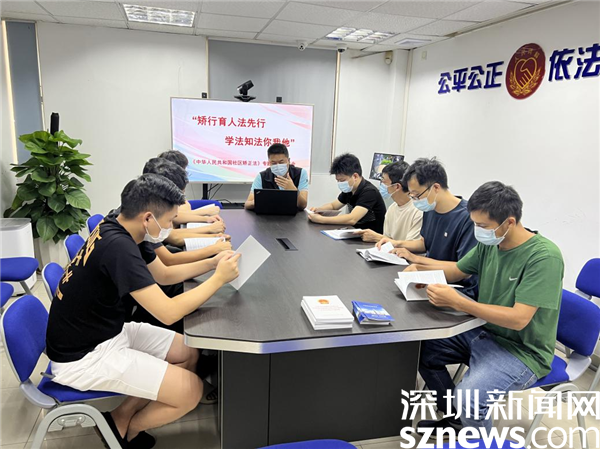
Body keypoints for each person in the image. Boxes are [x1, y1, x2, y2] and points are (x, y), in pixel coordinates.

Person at [46, 174, 241, 448]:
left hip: (105, 331)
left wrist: (212, 264)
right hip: (84, 356)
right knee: (191, 391)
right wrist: (219, 279)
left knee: (188, 352)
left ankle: (119, 418)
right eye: (170, 220)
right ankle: (130, 431)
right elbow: (168, 313)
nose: (171, 227)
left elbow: (163, 274)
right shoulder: (119, 248)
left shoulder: (120, 226)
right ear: (148, 218)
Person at [416, 181, 564, 434]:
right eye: (474, 223)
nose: (477, 231)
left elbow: (518, 319)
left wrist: (459, 302)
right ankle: (456, 419)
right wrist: (419, 271)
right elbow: (457, 271)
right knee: (421, 350)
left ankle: (478, 437)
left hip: (521, 351)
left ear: (509, 222)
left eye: (483, 226)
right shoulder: (491, 243)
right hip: (485, 332)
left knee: (470, 399)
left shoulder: (544, 257)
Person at [377, 158, 478, 298]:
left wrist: (416, 259)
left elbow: (462, 269)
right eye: (411, 195)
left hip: (456, 290)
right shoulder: (430, 208)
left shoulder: (468, 218)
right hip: (427, 280)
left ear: (435, 188)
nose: (415, 200)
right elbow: (425, 243)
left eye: (416, 195)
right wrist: (397, 244)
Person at [308, 153, 386, 233]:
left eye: (342, 180)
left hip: (371, 236)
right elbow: (333, 206)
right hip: (356, 232)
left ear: (355, 176)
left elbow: (352, 219)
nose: (340, 183)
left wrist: (321, 219)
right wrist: (318, 210)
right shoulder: (350, 189)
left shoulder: (369, 192)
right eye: (338, 180)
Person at [354, 161, 423, 243]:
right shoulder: (392, 208)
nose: (381, 184)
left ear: (397, 186)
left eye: (383, 181)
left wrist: (378, 238)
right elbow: (387, 239)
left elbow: (411, 246)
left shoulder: (418, 211)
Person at [244, 143, 309, 210]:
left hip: (294, 215)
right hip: (268, 214)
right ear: (269, 162)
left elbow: (303, 205)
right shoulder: (262, 176)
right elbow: (247, 204)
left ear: (288, 161)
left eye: (281, 162)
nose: (278, 165)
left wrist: (293, 190)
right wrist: (260, 201)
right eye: (274, 163)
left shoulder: (300, 173)